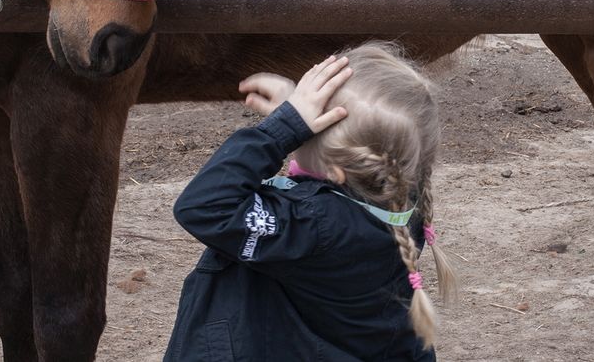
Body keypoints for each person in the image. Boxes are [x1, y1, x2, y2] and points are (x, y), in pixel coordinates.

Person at [164, 43, 456, 361]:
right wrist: (293, 111)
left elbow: (204, 206)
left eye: (307, 124)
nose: (300, 125)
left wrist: (282, 129)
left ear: (335, 169)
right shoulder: (400, 196)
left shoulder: (314, 224)